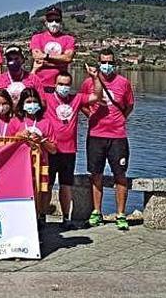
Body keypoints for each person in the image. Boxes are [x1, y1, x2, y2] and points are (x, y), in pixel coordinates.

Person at [80, 49, 135, 230]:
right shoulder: (89, 83)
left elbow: (129, 106)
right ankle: (97, 212)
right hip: (95, 136)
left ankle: (120, 214)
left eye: (110, 62)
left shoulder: (124, 83)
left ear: (115, 63)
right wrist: (92, 117)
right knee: (96, 175)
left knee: (120, 175)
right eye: (104, 62)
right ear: (98, 63)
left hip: (118, 137)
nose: (107, 65)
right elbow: (82, 104)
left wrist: (118, 120)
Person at [44, 68, 103, 229]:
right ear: (55, 85)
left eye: (67, 84)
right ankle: (41, 217)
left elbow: (96, 96)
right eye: (61, 84)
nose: (64, 87)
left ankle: (65, 218)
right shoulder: (47, 99)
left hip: (69, 151)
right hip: (50, 149)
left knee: (66, 185)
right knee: (46, 185)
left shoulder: (76, 99)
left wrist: (95, 78)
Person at [13, 87, 58, 224]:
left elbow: (54, 149)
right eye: (28, 101)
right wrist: (18, 136)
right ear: (22, 104)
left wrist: (42, 140)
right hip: (20, 167)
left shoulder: (46, 122)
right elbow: (6, 145)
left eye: (34, 101)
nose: (31, 105)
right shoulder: (15, 122)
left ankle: (40, 217)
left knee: (41, 191)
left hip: (41, 164)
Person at [30, 6, 75, 92]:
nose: (54, 22)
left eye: (57, 20)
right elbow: (37, 58)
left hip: (60, 86)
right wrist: (61, 62)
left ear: (61, 22)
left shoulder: (69, 39)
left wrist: (45, 57)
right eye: (50, 19)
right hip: (39, 84)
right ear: (46, 22)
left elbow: (68, 58)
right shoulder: (36, 38)